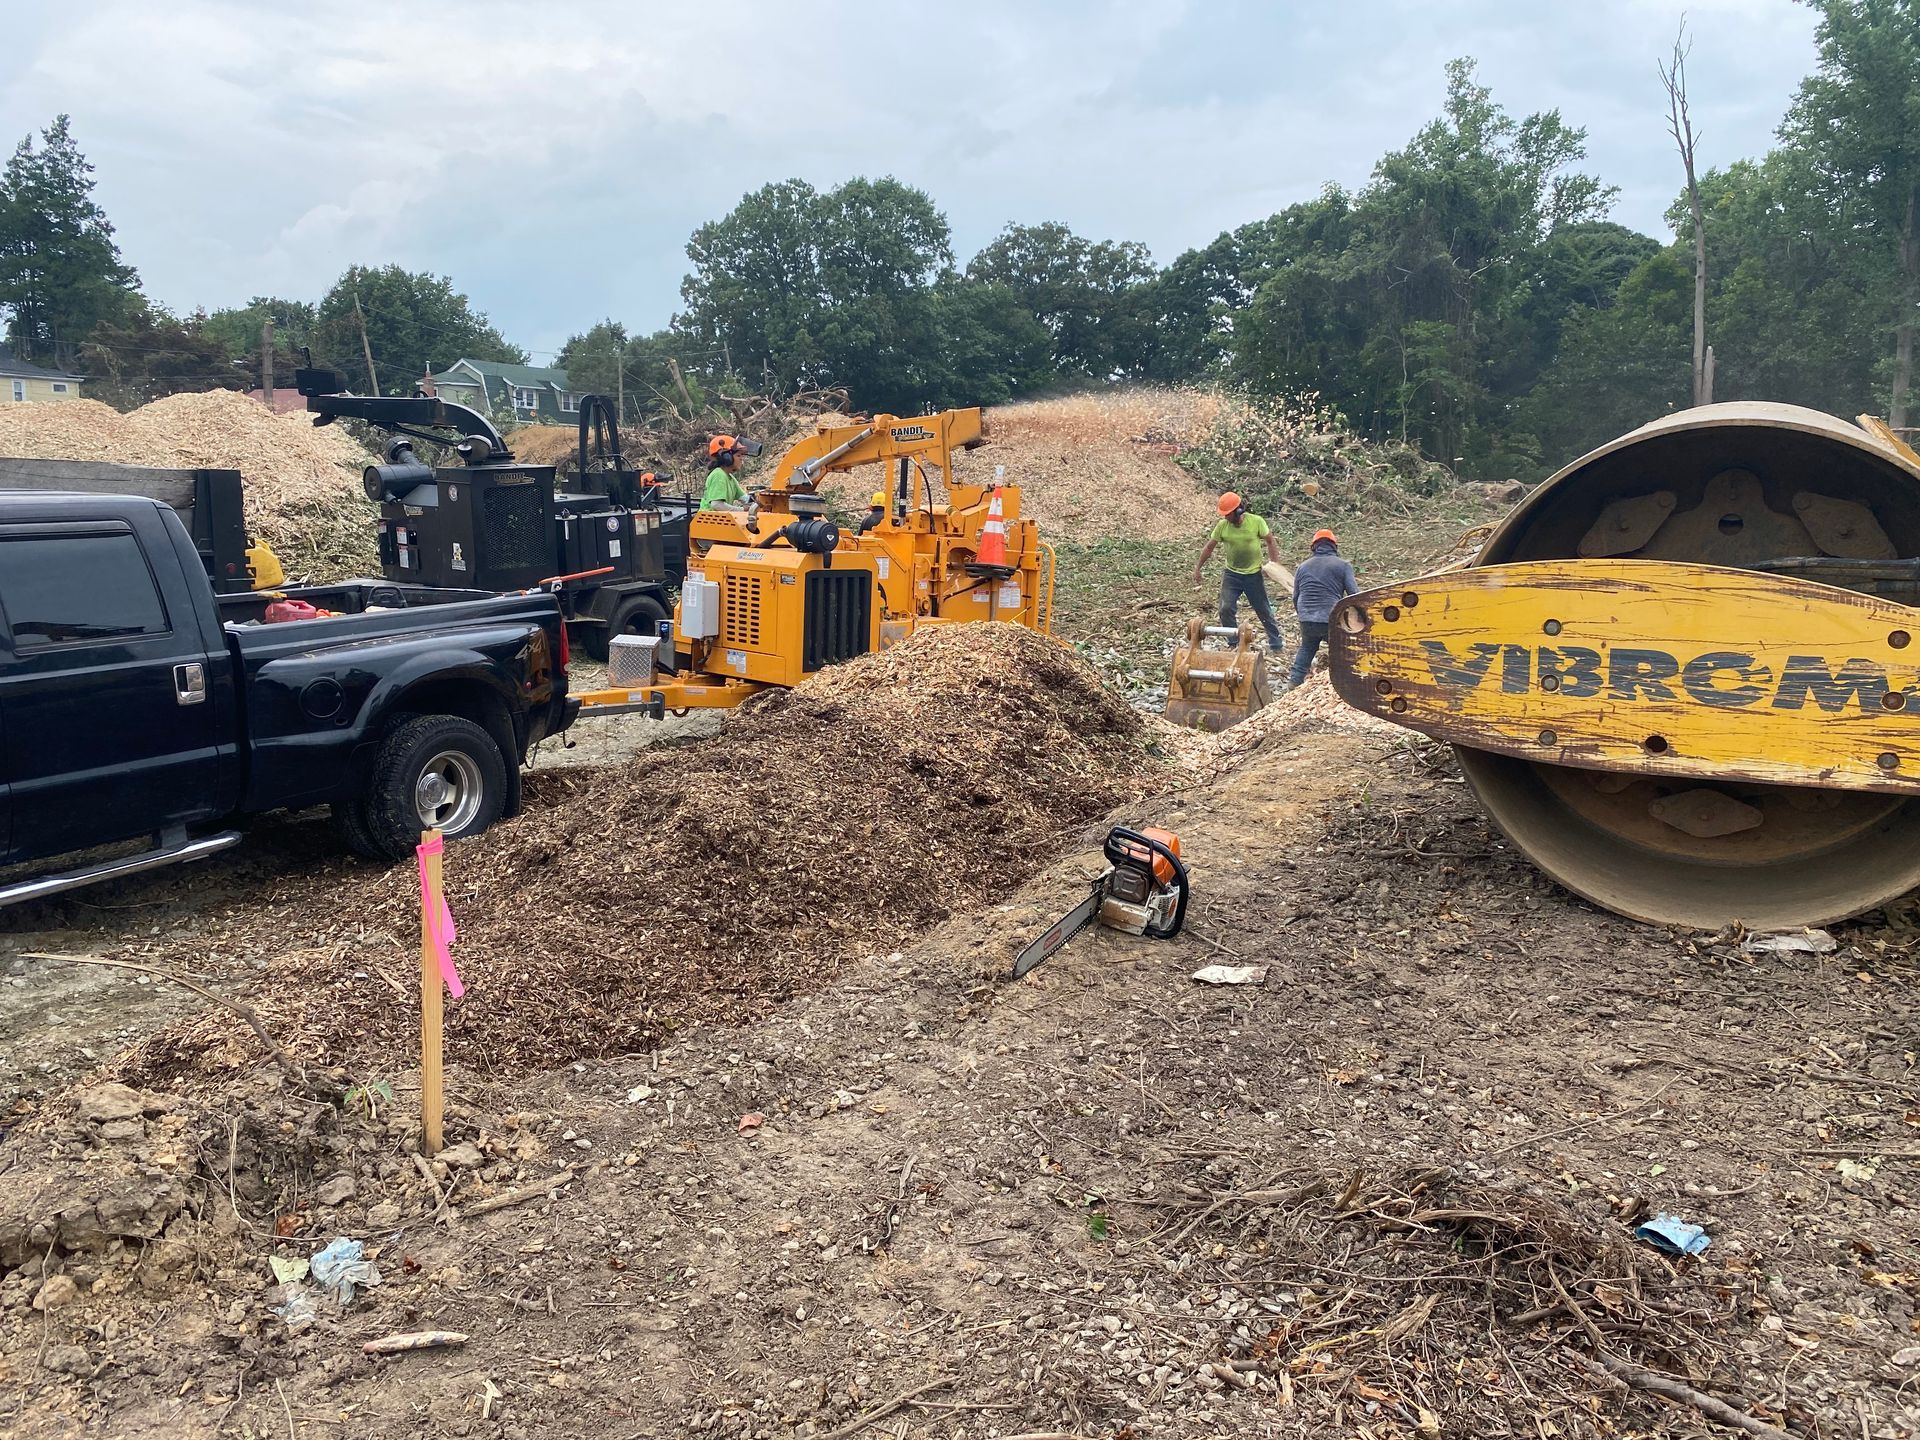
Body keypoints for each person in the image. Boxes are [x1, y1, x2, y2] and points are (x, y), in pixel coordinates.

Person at [1192, 491, 1285, 654]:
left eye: (1228, 514)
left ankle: (1276, 644)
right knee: (1225, 609)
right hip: (1232, 574)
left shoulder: (1256, 522)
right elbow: (1209, 547)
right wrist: (1198, 568)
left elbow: (1270, 540)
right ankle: (1234, 642)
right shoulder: (1222, 526)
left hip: (1253, 574)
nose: (1226, 518)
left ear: (1239, 510)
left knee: (1263, 609)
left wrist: (1274, 563)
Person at [1286, 529, 1361, 689]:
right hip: (1329, 617)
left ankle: (1294, 682)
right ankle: (1348, 684)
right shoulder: (1343, 566)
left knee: (1307, 647)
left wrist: (1304, 616)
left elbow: (1295, 596)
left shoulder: (1302, 567)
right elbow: (1354, 594)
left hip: (1306, 616)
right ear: (1334, 546)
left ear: (1314, 547)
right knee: (1340, 649)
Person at [702, 434, 763, 511]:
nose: (741, 459)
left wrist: (761, 500)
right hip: (709, 521)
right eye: (738, 456)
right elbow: (717, 504)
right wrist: (741, 510)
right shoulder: (718, 474)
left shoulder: (730, 478)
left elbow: (745, 499)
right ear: (727, 457)